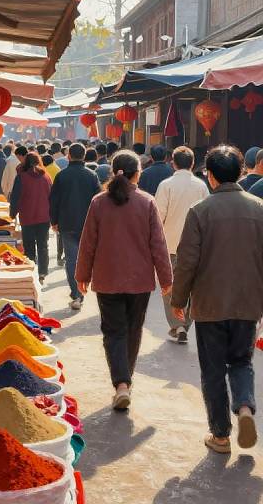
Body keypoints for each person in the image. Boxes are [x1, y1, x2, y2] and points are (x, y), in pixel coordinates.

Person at [171, 145, 263, 454]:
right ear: (241, 171)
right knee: (241, 361)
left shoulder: (201, 211)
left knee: (212, 370)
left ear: (210, 176)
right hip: (248, 303)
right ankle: (246, 407)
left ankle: (221, 435)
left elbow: (186, 261)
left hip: (209, 304)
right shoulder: (259, 208)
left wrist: (178, 300)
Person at [76, 150, 172, 410]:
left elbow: (88, 244)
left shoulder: (99, 202)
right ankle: (124, 381)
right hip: (139, 280)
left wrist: (82, 275)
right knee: (133, 330)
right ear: (137, 173)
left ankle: (122, 383)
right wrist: (166, 278)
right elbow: (159, 246)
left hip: (108, 279)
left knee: (113, 331)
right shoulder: (146, 202)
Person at [155, 146, 209, 343]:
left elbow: (158, 216)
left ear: (173, 163)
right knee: (193, 287)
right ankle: (185, 324)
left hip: (170, 244)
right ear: (193, 163)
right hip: (196, 246)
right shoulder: (201, 186)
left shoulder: (166, 185)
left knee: (170, 286)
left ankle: (177, 326)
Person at [50, 143, 101, 310]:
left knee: (71, 260)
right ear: (84, 156)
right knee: (87, 259)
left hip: (67, 224)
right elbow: (99, 201)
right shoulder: (92, 175)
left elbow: (54, 200)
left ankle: (77, 294)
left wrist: (54, 221)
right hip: (88, 225)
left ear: (69, 156)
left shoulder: (61, 176)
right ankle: (84, 289)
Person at [10, 152, 52, 283]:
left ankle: (31, 270)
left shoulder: (21, 177)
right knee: (43, 245)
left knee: (29, 245)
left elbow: (15, 198)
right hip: (44, 216)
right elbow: (52, 196)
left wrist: (12, 213)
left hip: (27, 217)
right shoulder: (46, 177)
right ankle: (43, 272)